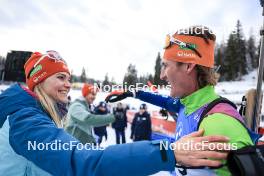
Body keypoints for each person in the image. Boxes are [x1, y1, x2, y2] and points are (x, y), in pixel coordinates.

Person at [0, 50, 230, 176]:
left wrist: (133, 92)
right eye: (60, 77)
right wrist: (166, 152)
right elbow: (83, 162)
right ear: (39, 81)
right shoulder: (24, 120)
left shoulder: (39, 111)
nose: (68, 84)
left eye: (69, 78)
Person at [105, 26, 258, 175]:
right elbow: (164, 101)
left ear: (189, 65)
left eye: (165, 66)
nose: (162, 76)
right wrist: (134, 92)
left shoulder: (217, 122)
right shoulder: (185, 104)